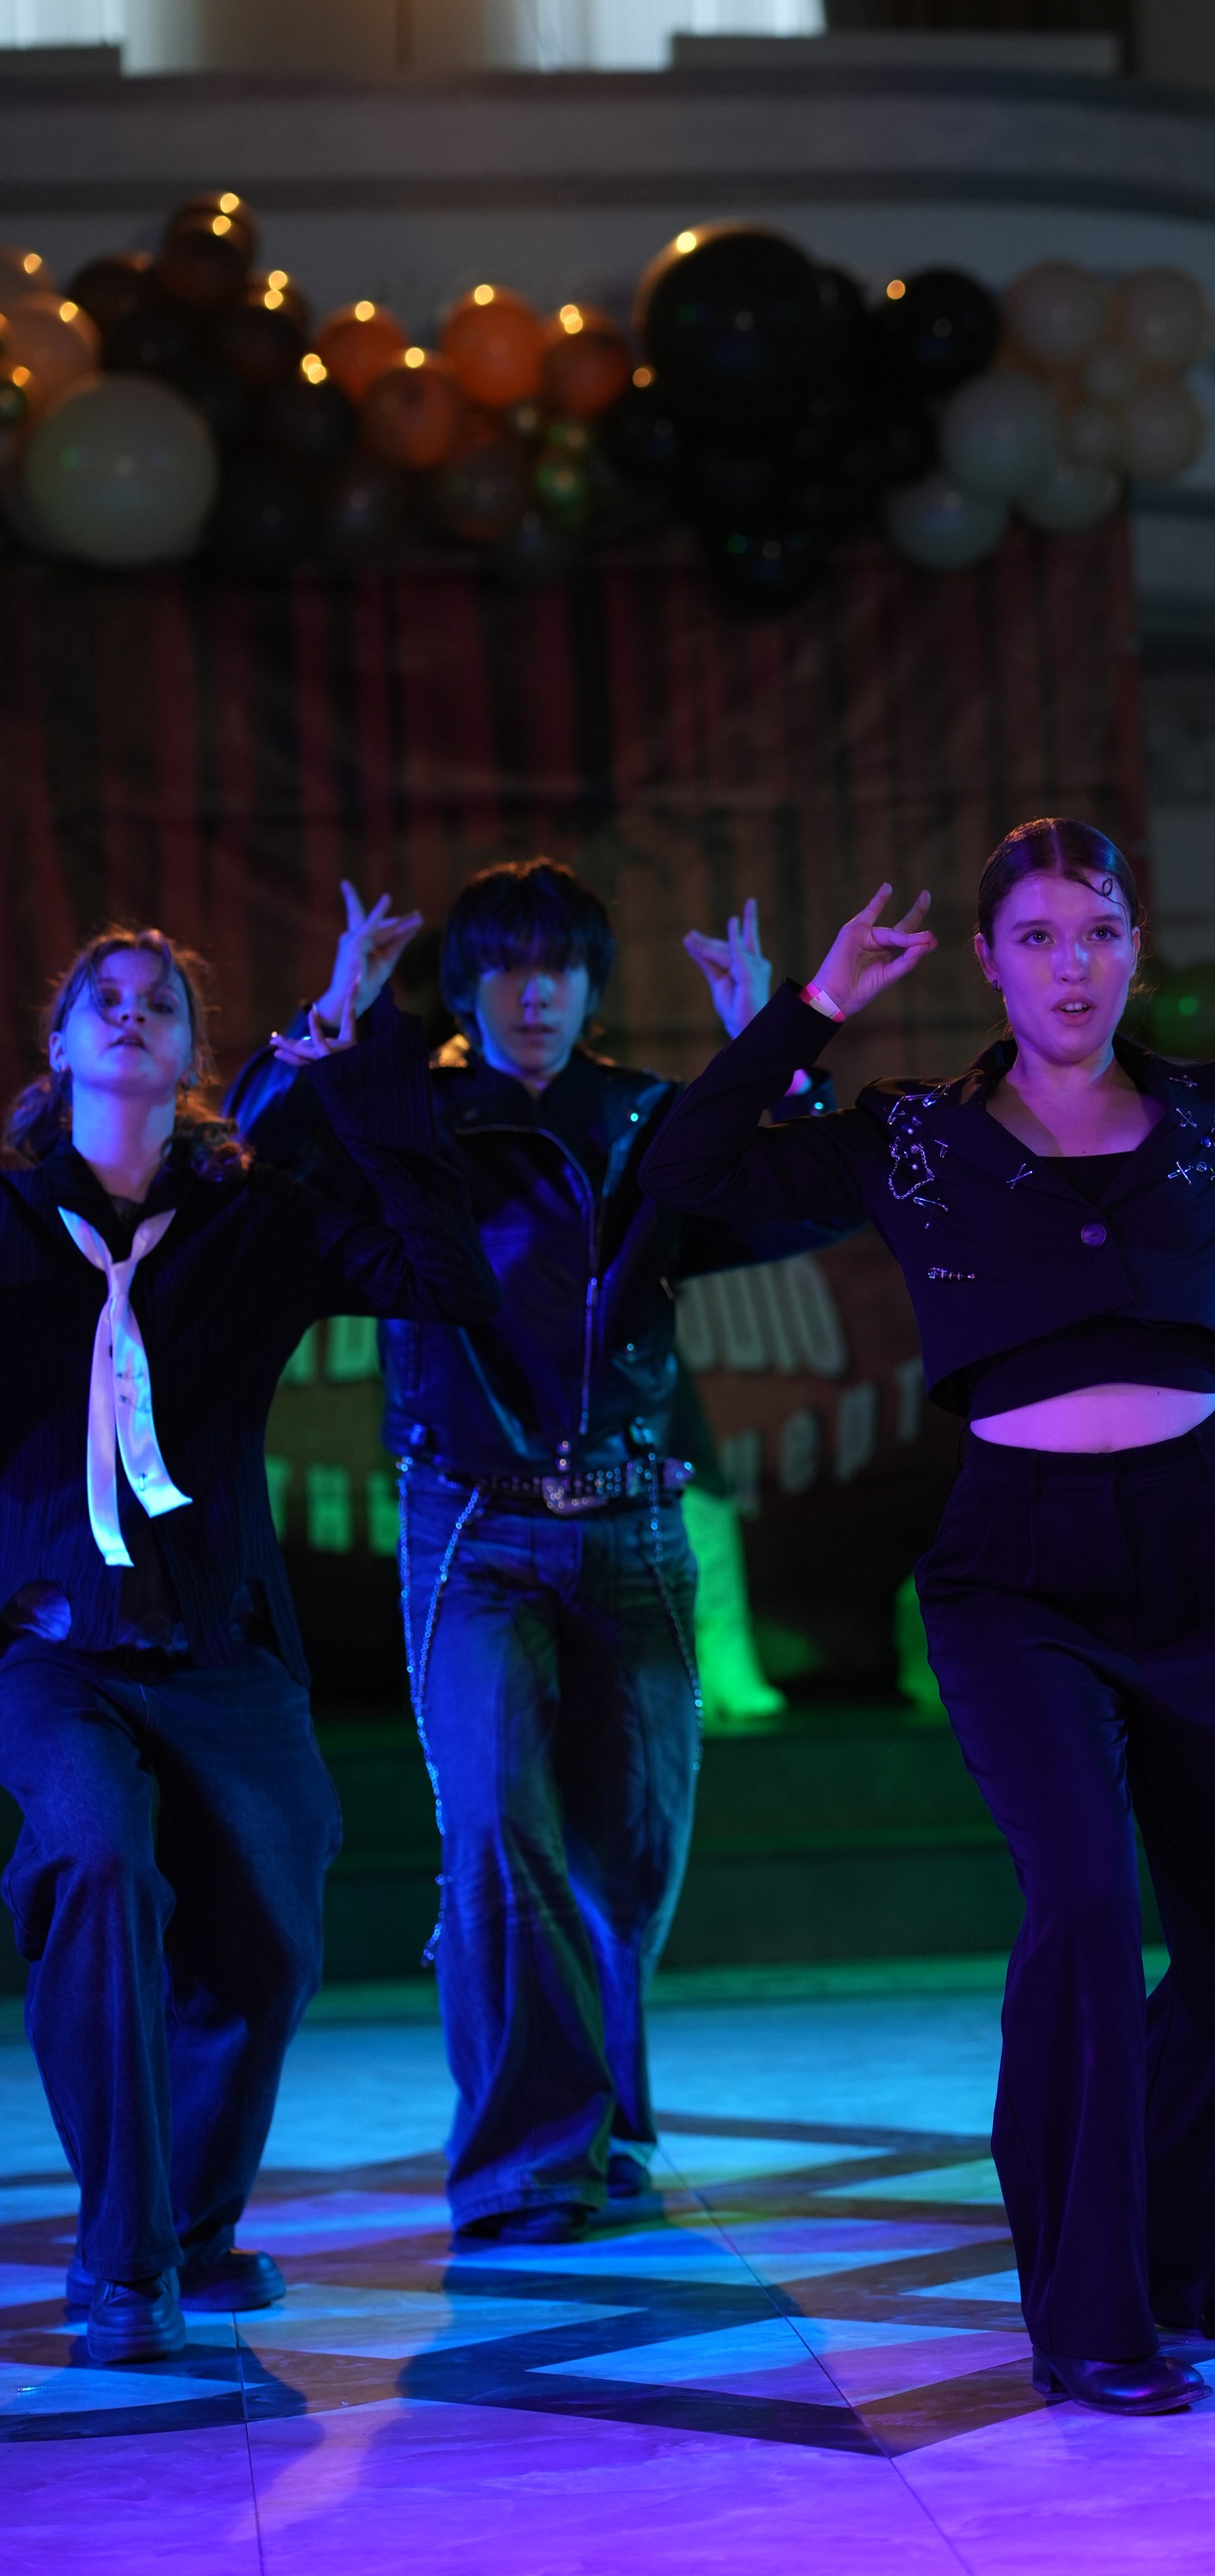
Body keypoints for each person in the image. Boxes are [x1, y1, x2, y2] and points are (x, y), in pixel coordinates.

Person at [638, 817, 1215, 2414]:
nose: (1071, 965)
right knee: (1090, 1911)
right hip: (1016, 1570)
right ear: (989, 962)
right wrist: (810, 1010)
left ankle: (1173, 2259)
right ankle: (1090, 2313)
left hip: (1209, 1553)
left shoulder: (1213, 1122)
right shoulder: (913, 1136)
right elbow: (685, 1177)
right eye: (1036, 936)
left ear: (1134, 951)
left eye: (1097, 931)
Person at [231, 861, 850, 2244]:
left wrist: (774, 1053)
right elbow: (255, 1171)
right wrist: (328, 1023)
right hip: (475, 1527)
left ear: (591, 985)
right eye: (506, 964)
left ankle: (602, 2118)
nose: (535, 992)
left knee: (629, 1857)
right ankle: (526, 2163)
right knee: (500, 1834)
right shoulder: (408, 1112)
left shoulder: (643, 1117)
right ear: (464, 985)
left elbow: (808, 1200)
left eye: (558, 965)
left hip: (634, 1523)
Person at [0, 922, 498, 2363]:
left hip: (219, 1637)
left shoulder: (252, 1218)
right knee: (95, 1861)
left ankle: (195, 2232)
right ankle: (122, 2266)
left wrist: (359, 1087)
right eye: (103, 999)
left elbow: (446, 1281)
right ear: (60, 1046)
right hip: (49, 1643)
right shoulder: (6, 1221)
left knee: (269, 1942)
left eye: (159, 1003)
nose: (130, 1014)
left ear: (193, 1055)